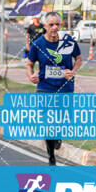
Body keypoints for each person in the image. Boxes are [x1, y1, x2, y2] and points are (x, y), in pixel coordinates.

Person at [27, 12, 82, 165]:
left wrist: (73, 71)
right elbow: (29, 64)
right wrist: (31, 76)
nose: (55, 27)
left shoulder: (68, 41)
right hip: (45, 87)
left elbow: (78, 58)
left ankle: (58, 135)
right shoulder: (38, 44)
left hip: (65, 88)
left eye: (57, 24)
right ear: (45, 26)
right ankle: (51, 156)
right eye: (51, 25)